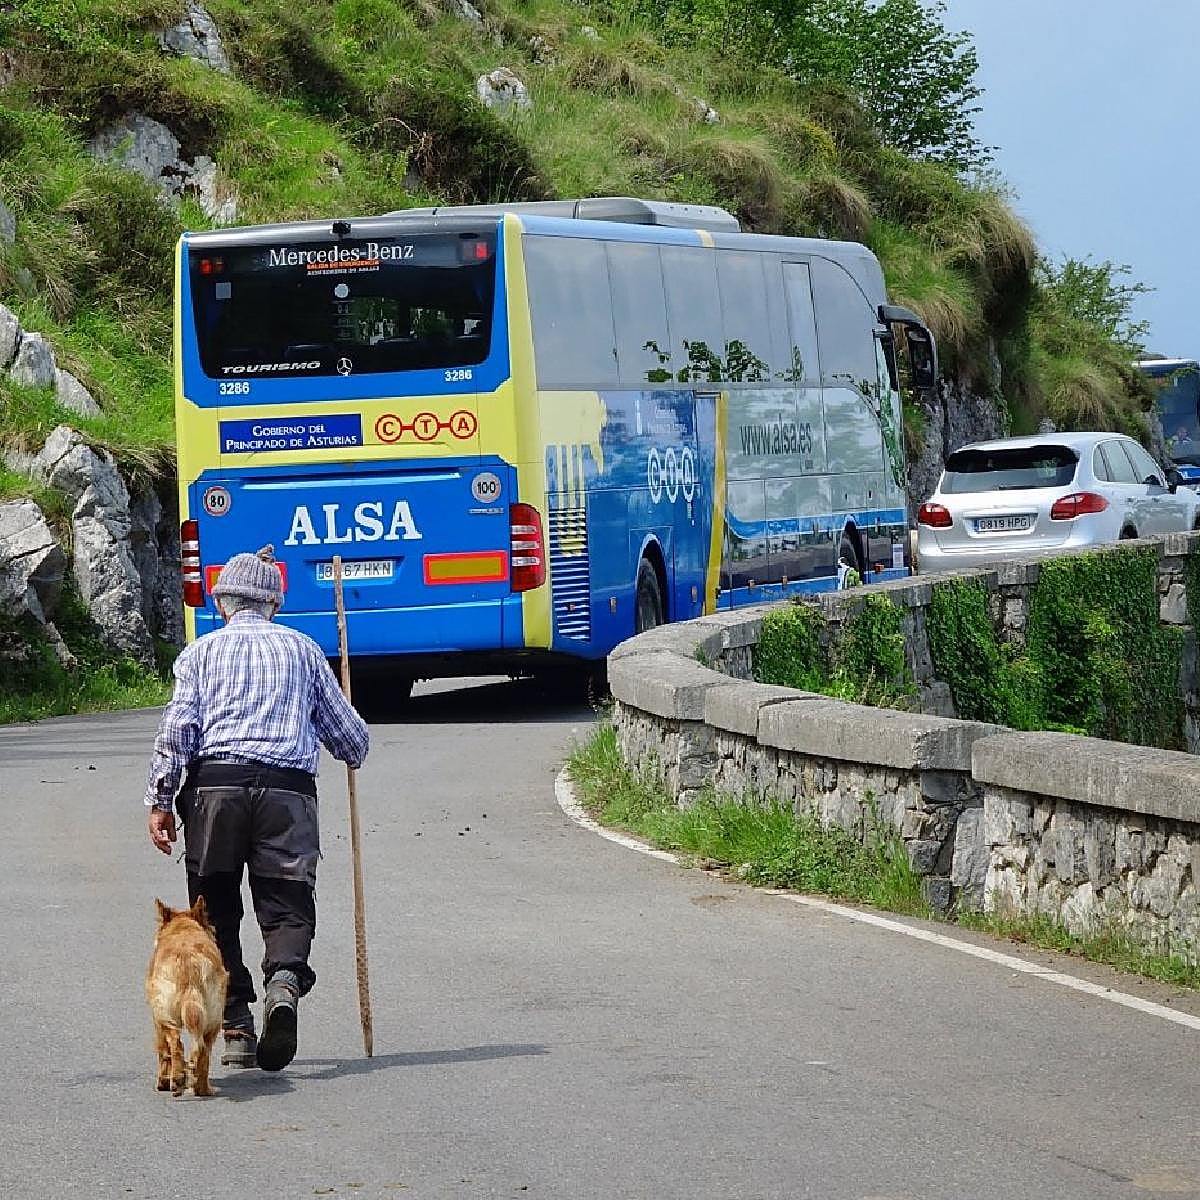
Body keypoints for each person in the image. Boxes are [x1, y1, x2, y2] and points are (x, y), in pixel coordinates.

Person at [144, 545, 369, 1072]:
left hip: (214, 794)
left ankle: (239, 1024)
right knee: (286, 901)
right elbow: (351, 741)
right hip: (287, 796)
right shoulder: (304, 650)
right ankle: (285, 985)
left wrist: (160, 801)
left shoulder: (199, 654)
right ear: (273, 603)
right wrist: (350, 737)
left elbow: (176, 733)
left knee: (214, 907)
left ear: (222, 603)